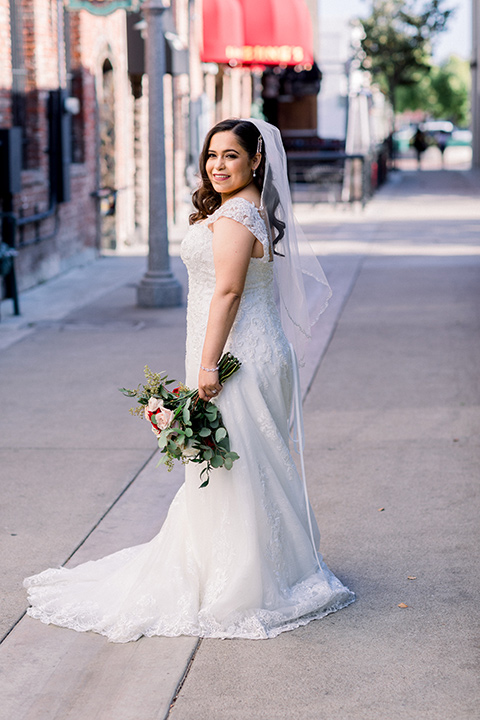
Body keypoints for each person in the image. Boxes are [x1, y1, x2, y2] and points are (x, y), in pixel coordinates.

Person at [24, 119, 355, 642]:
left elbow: (227, 293)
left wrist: (205, 367)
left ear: (256, 161)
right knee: (249, 464)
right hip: (246, 348)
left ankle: (246, 583)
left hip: (235, 355)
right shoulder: (242, 211)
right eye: (211, 155)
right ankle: (273, 568)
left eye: (231, 155)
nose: (218, 165)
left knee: (235, 466)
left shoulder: (238, 215)